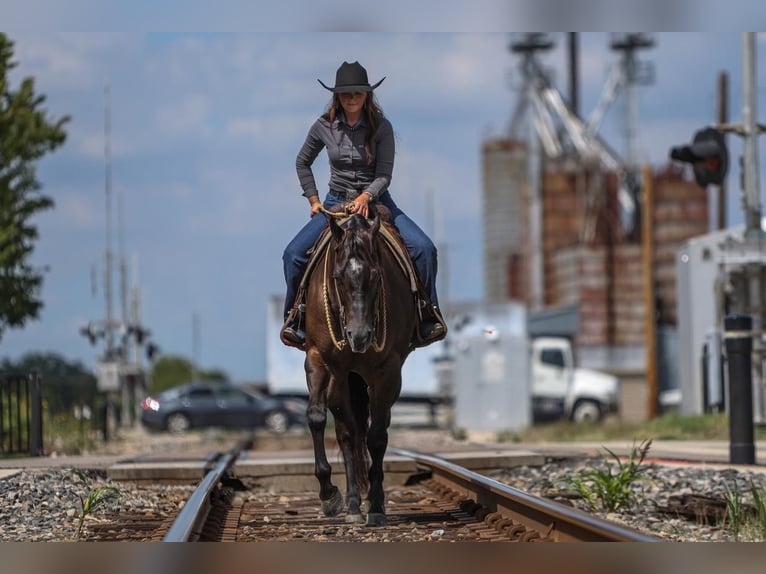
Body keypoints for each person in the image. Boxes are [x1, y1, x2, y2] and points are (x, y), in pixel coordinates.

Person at [281, 60, 445, 348]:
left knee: (425, 249)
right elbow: (302, 161)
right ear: (337, 96)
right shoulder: (323, 127)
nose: (351, 98)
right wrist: (314, 199)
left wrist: (366, 196)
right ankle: (296, 319)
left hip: (378, 201)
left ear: (367, 94)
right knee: (293, 254)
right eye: (345, 94)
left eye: (357, 93)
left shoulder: (381, 128)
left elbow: (384, 175)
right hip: (335, 203)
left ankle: (427, 315)